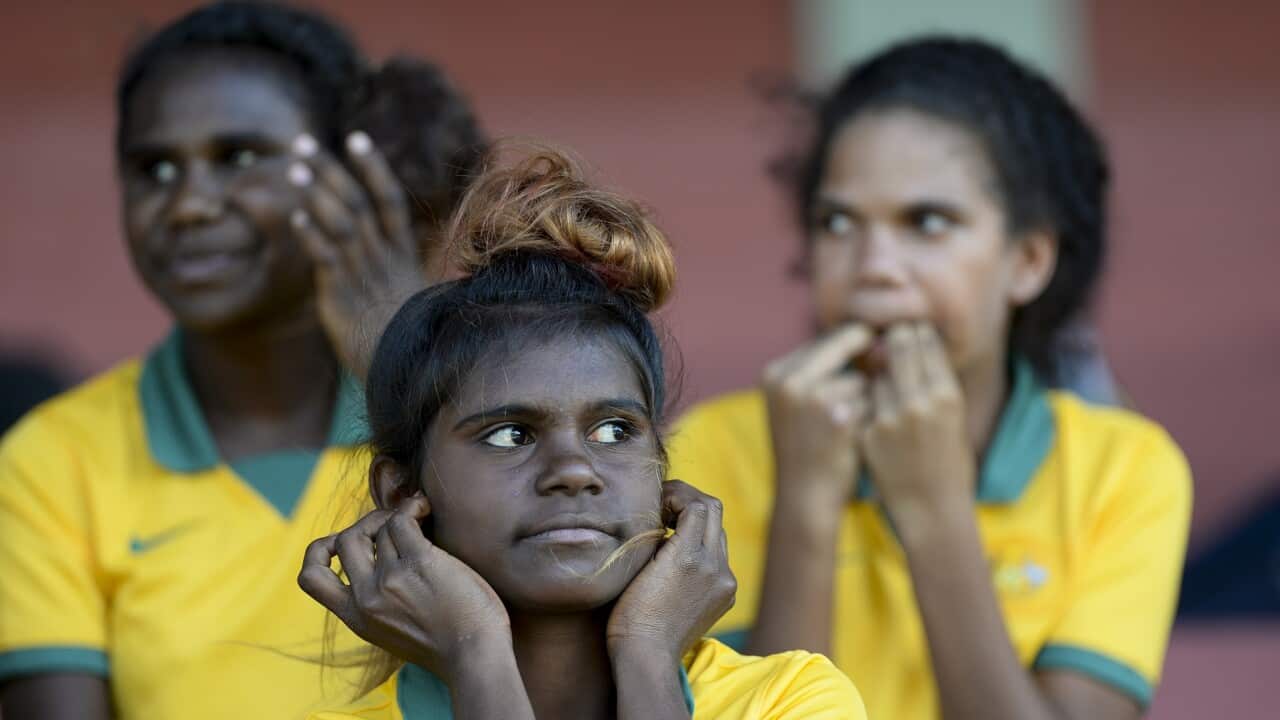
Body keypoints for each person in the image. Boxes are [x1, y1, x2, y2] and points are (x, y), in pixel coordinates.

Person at [668, 37, 1191, 719]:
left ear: (1029, 260)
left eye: (928, 222)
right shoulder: (710, 449)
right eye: (838, 222)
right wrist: (806, 501)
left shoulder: (1124, 470)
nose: (875, 266)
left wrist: (934, 508)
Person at [0, 3, 481, 718]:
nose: (188, 205)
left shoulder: (468, 410)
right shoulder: (53, 460)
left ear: (350, 176)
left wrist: (403, 363)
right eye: (153, 167)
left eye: (240, 157)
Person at [298, 147, 867, 720]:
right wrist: (476, 656)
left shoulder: (789, 699)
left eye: (615, 430)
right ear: (401, 494)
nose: (574, 469)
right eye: (510, 435)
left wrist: (647, 651)